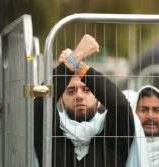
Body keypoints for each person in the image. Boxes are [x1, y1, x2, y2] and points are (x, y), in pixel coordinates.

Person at [34, 34, 134, 167]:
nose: (79, 96)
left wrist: (78, 65)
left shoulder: (112, 133)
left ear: (99, 99)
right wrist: (71, 61)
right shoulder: (50, 133)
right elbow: (40, 101)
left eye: (87, 90)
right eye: (71, 91)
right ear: (61, 100)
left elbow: (121, 104)